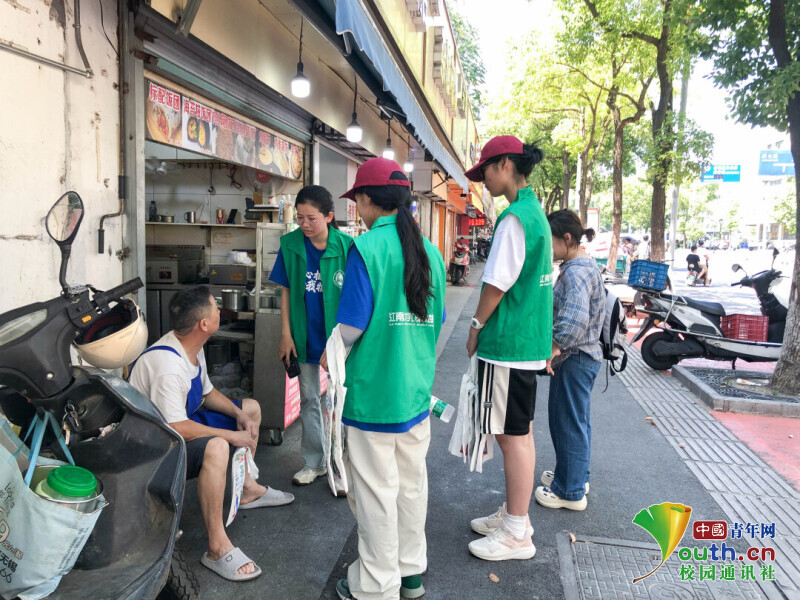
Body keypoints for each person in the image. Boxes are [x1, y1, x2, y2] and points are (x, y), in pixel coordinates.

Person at [324, 158, 446, 600]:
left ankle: (376, 586)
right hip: (414, 393)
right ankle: (410, 576)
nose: (356, 207)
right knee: (411, 488)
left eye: (357, 198)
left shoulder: (367, 248)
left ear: (367, 199)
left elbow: (352, 327)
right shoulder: (430, 251)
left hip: (374, 394)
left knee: (376, 494)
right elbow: (437, 319)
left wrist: (328, 356)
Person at [128, 287, 294, 582]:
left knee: (252, 409)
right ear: (204, 324)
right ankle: (217, 547)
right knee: (217, 446)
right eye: (215, 307)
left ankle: (247, 490)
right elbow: (177, 428)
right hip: (156, 448)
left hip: (180, 424)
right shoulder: (168, 366)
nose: (220, 310)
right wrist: (231, 437)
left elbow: (206, 392)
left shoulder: (192, 347)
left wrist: (239, 415)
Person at [462, 135, 553, 562]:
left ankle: (517, 529)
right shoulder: (534, 214)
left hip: (508, 344)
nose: (482, 179)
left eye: (484, 170)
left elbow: (496, 284)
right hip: (525, 341)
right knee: (519, 432)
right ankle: (516, 518)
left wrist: (475, 326)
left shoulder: (515, 218)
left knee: (510, 435)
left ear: (503, 165)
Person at [269, 185, 354, 488]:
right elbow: (286, 290)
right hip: (303, 335)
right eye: (300, 218)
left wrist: (343, 341)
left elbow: (356, 296)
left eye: (311, 219)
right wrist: (286, 335)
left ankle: (342, 464)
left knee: (341, 399)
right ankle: (315, 462)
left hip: (338, 338)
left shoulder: (347, 247)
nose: (304, 224)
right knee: (309, 399)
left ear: (329, 216)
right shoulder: (291, 245)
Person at [535, 210, 605, 511]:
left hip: (575, 358)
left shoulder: (575, 272)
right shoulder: (585, 265)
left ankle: (570, 491)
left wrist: (553, 347)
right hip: (584, 357)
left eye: (550, 242)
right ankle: (574, 476)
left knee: (567, 423)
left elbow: (574, 321)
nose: (548, 249)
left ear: (566, 238)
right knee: (576, 422)